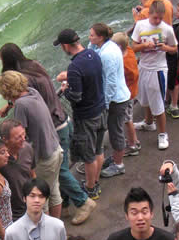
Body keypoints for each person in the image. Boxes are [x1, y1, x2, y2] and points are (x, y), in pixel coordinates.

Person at [0, 43, 95, 224]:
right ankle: (63, 209)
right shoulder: (32, 72)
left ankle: (82, 202)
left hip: (54, 131)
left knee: (55, 179)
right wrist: (10, 105)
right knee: (55, 180)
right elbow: (25, 93)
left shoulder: (22, 101)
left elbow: (21, 135)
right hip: (60, 123)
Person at [0, 71, 64, 217]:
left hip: (44, 158)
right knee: (54, 191)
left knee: (39, 198)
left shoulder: (20, 105)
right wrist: (8, 106)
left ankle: (47, 230)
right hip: (55, 149)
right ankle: (56, 226)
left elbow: (19, 134)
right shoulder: (32, 92)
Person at [54, 28, 106, 200]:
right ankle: (95, 183)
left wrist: (65, 89)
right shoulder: (93, 54)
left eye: (62, 46)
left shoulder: (75, 66)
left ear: (66, 45)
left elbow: (76, 97)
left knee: (89, 156)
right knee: (98, 150)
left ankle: (90, 188)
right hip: (100, 109)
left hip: (86, 117)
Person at [131, 0, 177, 151]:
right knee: (144, 98)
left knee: (157, 103)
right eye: (155, 18)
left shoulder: (167, 29)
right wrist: (144, 46)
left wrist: (165, 47)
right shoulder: (140, 26)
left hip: (158, 69)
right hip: (143, 67)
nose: (158, 21)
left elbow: (174, 49)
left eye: (160, 18)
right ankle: (148, 122)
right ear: (149, 14)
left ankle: (163, 134)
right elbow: (133, 47)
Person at [89, 23, 131, 178]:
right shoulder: (109, 46)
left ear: (100, 37)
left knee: (116, 132)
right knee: (115, 130)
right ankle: (115, 159)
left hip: (116, 100)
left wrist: (105, 104)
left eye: (92, 35)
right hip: (119, 96)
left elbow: (111, 82)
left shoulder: (107, 54)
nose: (89, 37)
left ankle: (119, 165)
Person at [0, 120, 35, 222]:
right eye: (18, 137)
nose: (23, 139)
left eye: (23, 134)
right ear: (5, 139)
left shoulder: (27, 148)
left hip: (31, 204)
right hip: (13, 214)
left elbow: (32, 173)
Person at [112, 32, 140, 157]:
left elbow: (131, 75)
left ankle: (133, 145)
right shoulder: (129, 50)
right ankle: (134, 141)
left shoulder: (124, 62)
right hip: (131, 92)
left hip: (126, 95)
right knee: (128, 119)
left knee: (127, 120)